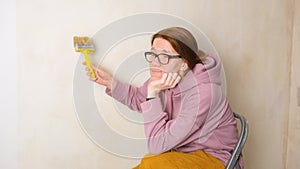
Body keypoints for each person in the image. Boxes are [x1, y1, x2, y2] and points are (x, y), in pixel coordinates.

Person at [84, 27, 243, 169]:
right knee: (150, 164)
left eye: (164, 56)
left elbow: (156, 145)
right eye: (153, 54)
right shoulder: (166, 76)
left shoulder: (204, 92)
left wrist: (153, 94)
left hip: (213, 157)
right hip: (178, 152)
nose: (154, 63)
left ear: (184, 63)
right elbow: (140, 99)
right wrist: (112, 83)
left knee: (153, 162)